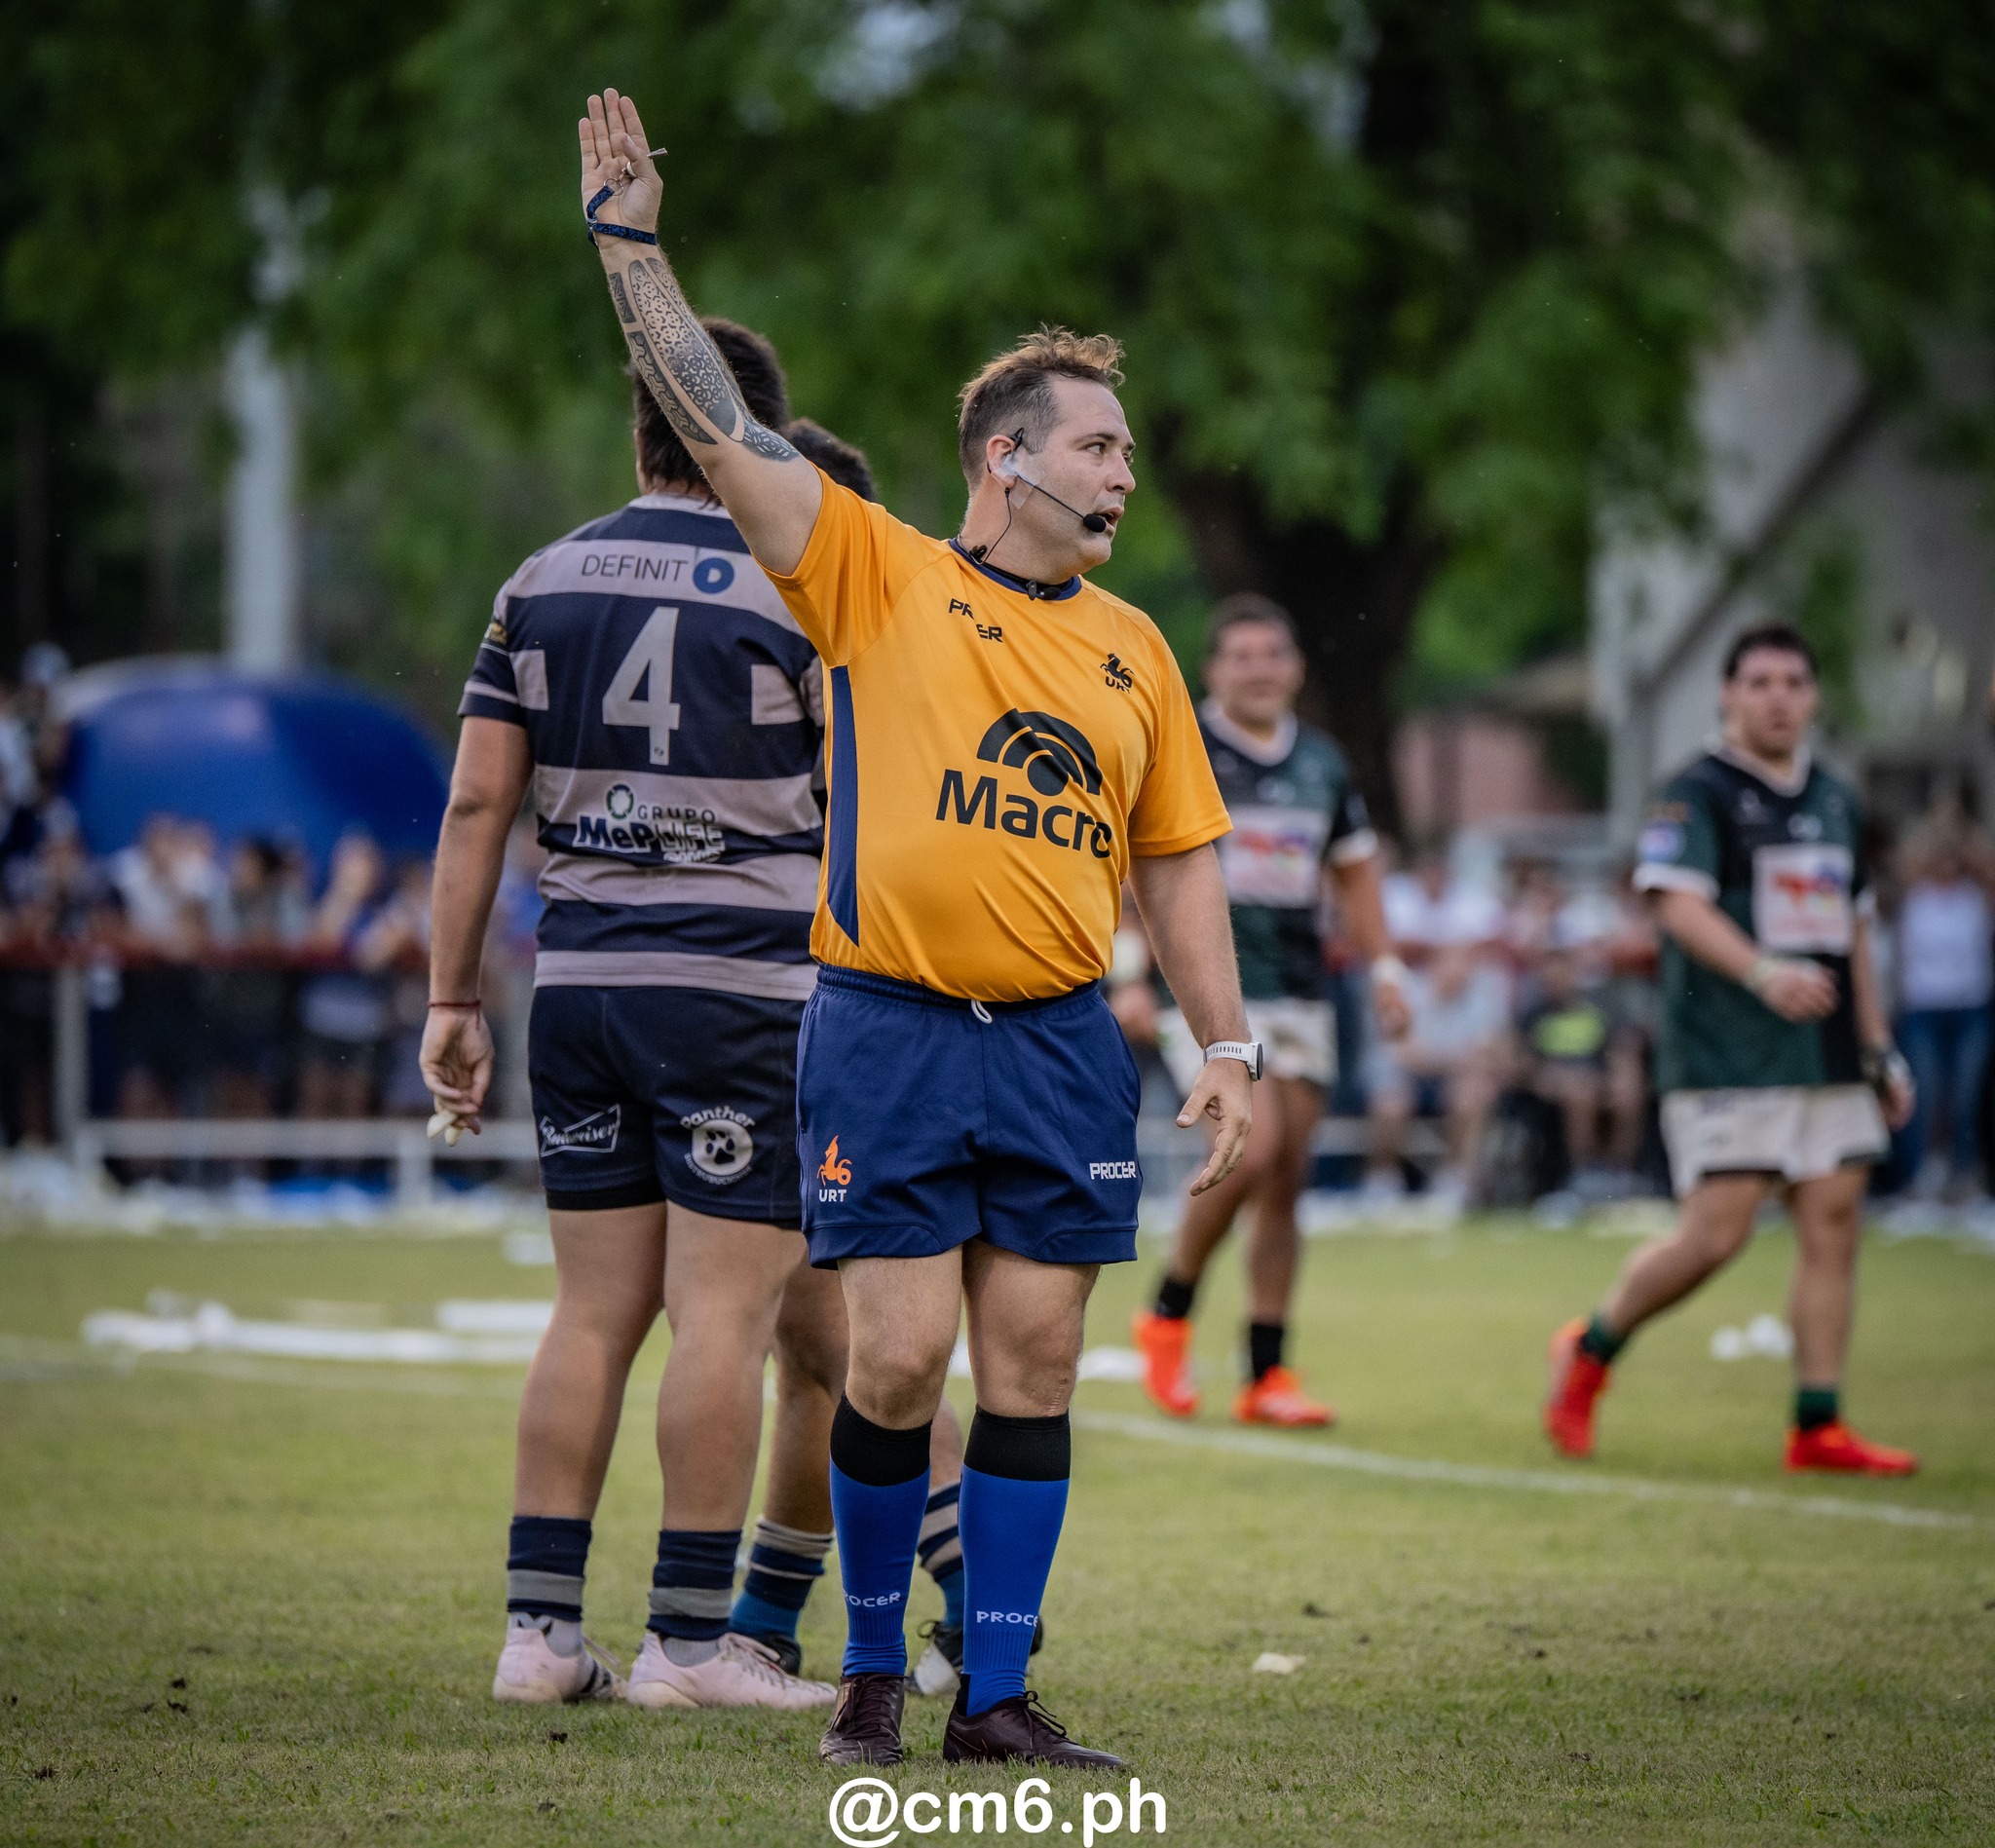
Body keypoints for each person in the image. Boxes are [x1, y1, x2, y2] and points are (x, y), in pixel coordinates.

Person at [579, 90, 1253, 1769]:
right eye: (1097, 444)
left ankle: (1000, 1694)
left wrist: (1226, 1040)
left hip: (1052, 1040)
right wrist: (631, 246)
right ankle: (871, 1672)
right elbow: (719, 419)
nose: (1122, 471)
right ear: (1007, 459)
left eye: (1122, 449)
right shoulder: (873, 571)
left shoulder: (1136, 648)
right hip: (881, 1019)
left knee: (1034, 1363)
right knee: (894, 1359)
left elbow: (1174, 864)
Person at [422, 320, 841, 1712]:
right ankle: (685, 1642)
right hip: (744, 993)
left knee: (592, 1311)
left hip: (583, 986)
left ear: (639, 435)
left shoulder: (539, 579)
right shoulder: (802, 584)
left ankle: (537, 1634)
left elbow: (479, 801)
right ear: (754, 438)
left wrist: (450, 993)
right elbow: (861, 812)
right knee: (723, 1319)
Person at [1544, 624, 1919, 1475]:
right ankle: (1592, 1347)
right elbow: (1674, 904)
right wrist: (1761, 971)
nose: (1778, 696)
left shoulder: (1836, 798)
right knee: (1715, 1237)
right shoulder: (1696, 793)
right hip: (1727, 1054)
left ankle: (1817, 1423)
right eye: (1759, 682)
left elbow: (1853, 929)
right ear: (1728, 695)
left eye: (1793, 681)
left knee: (1833, 1225)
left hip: (1825, 1056)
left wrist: (1878, 1047)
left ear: (1814, 696)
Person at [1130, 594, 1410, 1426]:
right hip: (1207, 987)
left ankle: (1265, 1373)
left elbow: (1354, 872)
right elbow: (1128, 863)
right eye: (1240, 656)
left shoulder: (1322, 762)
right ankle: (1168, 1310)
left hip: (1301, 987)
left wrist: (1386, 967)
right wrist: (1128, 976)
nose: (1257, 669)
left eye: (1272, 655)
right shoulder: (1183, 744)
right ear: (1212, 671)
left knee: (1286, 1176)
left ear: (1295, 668)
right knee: (1252, 1152)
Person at [1892, 805, 1993, 1202]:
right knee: (1926, 1095)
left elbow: (1984, 859)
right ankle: (1923, 1176)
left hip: (1971, 1008)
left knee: (1965, 1096)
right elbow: (1907, 857)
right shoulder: (1912, 895)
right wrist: (1934, 828)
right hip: (1923, 1008)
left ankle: (1964, 1176)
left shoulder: (1979, 896)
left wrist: (1961, 828)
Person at [1366, 941, 1509, 1203]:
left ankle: (1453, 1178)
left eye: (1465, 964)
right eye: (1452, 963)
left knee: (1472, 1094)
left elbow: (1492, 1052)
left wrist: (1449, 1062)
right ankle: (1382, 1178)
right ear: (1435, 966)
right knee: (1390, 1102)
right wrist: (1456, 1059)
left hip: (1452, 1082)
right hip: (1408, 1080)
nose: (1459, 971)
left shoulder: (1481, 996)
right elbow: (1405, 1054)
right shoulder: (1409, 994)